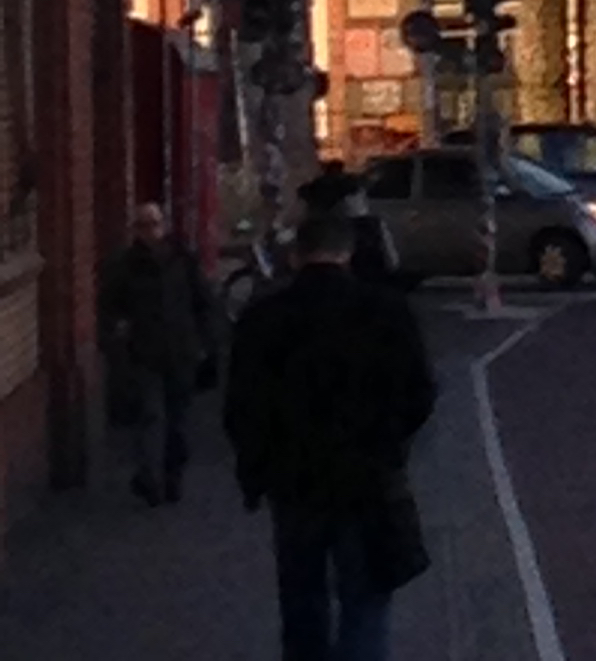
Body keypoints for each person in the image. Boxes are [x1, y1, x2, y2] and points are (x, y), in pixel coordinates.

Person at [226, 210, 437, 661]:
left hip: (293, 481)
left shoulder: (264, 317)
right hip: (366, 479)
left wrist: (255, 469)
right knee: (366, 596)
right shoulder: (385, 312)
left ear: (297, 254)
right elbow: (419, 392)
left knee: (302, 599)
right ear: (349, 253)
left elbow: (242, 405)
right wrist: (390, 445)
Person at [98, 202, 214, 505]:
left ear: (164, 225)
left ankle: (172, 475)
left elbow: (202, 301)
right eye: (143, 225)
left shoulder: (183, 259)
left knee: (178, 418)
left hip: (181, 349)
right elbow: (109, 307)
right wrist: (116, 331)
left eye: (154, 223)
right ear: (134, 230)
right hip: (143, 350)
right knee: (150, 415)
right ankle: (148, 476)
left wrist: (206, 341)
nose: (150, 231)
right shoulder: (123, 265)